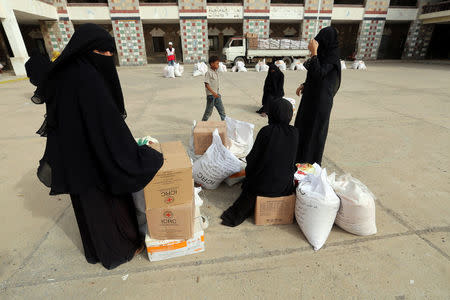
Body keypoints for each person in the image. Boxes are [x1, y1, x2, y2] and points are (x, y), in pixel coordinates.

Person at [34, 24, 164, 270]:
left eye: (109, 53)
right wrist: (143, 155)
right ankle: (119, 251)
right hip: (92, 159)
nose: (108, 58)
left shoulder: (65, 73)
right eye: (103, 52)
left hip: (73, 157)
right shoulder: (87, 79)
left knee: (88, 208)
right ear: (86, 50)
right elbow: (108, 127)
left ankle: (96, 251)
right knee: (108, 206)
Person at [221, 99, 298, 227]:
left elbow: (253, 158)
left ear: (273, 113)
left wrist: (249, 174)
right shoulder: (295, 132)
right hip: (284, 187)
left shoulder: (266, 131)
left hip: (263, 187)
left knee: (252, 177)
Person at [294, 26, 341, 165]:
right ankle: (299, 159)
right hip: (310, 98)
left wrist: (314, 53)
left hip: (320, 103)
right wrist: (305, 84)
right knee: (302, 127)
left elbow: (321, 73)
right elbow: (316, 75)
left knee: (314, 133)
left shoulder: (332, 57)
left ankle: (310, 164)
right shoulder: (323, 55)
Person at [202, 55, 226, 121]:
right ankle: (203, 123)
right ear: (212, 64)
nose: (218, 65)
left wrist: (216, 94)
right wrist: (213, 93)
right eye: (217, 63)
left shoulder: (216, 72)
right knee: (208, 112)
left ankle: (225, 123)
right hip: (211, 96)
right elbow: (206, 85)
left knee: (222, 111)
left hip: (217, 95)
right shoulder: (208, 73)